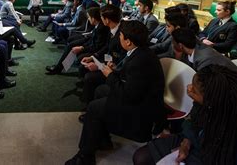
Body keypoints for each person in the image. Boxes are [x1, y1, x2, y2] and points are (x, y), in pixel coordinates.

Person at [132, 65, 237, 165]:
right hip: (196, 144)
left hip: (218, 159)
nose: (188, 89)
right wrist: (187, 142)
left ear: (212, 100)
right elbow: (191, 122)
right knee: (141, 157)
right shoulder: (208, 104)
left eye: (194, 90)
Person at [66, 20, 165, 165]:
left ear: (128, 41)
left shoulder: (140, 60)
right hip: (138, 96)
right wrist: (114, 71)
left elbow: (129, 95)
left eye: (121, 36)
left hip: (141, 108)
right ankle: (103, 139)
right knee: (100, 90)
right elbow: (130, 78)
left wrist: (110, 75)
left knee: (94, 108)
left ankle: (85, 156)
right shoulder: (139, 51)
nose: (119, 38)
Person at [78, 5, 126, 104]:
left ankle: (89, 106)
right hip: (109, 60)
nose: (100, 19)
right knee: (85, 66)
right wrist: (93, 57)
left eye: (101, 17)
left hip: (117, 69)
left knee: (90, 77)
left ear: (107, 20)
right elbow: (107, 48)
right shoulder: (112, 28)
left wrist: (100, 66)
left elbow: (120, 59)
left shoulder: (122, 34)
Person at [45, 7, 110, 75]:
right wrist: (82, 47)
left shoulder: (101, 28)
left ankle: (58, 68)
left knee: (72, 46)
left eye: (89, 17)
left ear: (93, 18)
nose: (88, 19)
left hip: (96, 50)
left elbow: (97, 46)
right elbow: (92, 40)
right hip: (90, 43)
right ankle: (59, 67)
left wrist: (82, 48)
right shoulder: (98, 25)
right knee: (71, 45)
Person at [172, 28, 237, 72]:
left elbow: (204, 83)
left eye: (173, 42)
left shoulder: (205, 59)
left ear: (180, 45)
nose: (172, 44)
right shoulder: (191, 49)